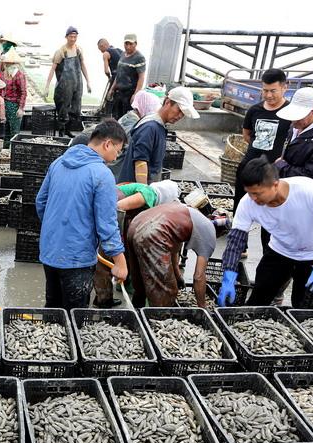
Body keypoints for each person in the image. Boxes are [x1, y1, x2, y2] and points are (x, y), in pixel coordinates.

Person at [218, 156, 313, 308]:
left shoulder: (309, 190)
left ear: (275, 185)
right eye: (249, 193)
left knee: (304, 306)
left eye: (257, 193)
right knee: (258, 300)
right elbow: (236, 241)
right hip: (279, 251)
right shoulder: (247, 203)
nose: (253, 198)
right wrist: (229, 275)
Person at [36, 119, 128, 310]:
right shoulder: (102, 174)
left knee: (53, 308)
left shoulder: (58, 163)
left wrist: (55, 230)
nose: (116, 156)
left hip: (49, 251)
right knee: (75, 312)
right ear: (107, 144)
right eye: (118, 150)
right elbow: (107, 224)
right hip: (77, 257)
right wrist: (120, 261)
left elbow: (41, 202)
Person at [93, 179, 180, 307]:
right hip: (109, 220)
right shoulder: (149, 193)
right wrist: (114, 238)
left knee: (120, 257)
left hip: (116, 219)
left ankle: (115, 290)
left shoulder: (148, 194)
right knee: (105, 262)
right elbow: (117, 208)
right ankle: (103, 301)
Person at [127, 201, 228, 308]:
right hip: (152, 233)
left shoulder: (192, 215)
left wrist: (177, 274)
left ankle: (137, 311)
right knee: (167, 290)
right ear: (221, 233)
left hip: (136, 223)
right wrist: (202, 307)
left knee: (140, 282)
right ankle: (159, 316)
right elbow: (198, 276)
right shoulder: (209, 234)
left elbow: (174, 247)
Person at [232, 68, 291, 213]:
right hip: (249, 166)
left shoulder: (290, 112)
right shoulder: (254, 110)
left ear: (284, 88)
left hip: (273, 171)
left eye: (273, 91)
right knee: (241, 204)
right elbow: (247, 135)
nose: (268, 95)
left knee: (271, 209)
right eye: (265, 90)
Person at [118, 87, 198, 184]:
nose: (180, 116)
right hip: (134, 188)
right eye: (179, 110)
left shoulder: (158, 125)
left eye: (183, 113)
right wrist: (143, 190)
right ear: (167, 102)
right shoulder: (150, 127)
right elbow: (140, 162)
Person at [44, 27, 91, 137]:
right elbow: (53, 69)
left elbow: (83, 65)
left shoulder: (79, 50)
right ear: (66, 37)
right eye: (71, 37)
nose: (73, 39)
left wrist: (88, 81)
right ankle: (61, 132)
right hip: (64, 86)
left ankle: (68, 130)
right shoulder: (61, 52)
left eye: (75, 37)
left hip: (77, 84)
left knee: (76, 109)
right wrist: (47, 86)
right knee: (63, 108)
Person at [107, 90, 161, 179]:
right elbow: (137, 151)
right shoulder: (132, 124)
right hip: (118, 171)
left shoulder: (128, 117)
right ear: (145, 107)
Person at [111, 34, 146, 120]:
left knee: (126, 119)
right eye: (126, 44)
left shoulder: (139, 58)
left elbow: (141, 77)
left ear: (135, 44)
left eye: (131, 44)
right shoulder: (123, 54)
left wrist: (135, 95)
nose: (128, 46)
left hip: (129, 93)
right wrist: (112, 89)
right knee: (116, 116)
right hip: (119, 92)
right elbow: (119, 73)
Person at [0, 50, 27, 147]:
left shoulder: (19, 75)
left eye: (9, 63)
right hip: (5, 105)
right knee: (6, 130)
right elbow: (1, 89)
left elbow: (23, 92)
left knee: (14, 132)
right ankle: (6, 150)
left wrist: (21, 108)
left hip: (15, 105)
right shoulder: (4, 74)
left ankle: (14, 150)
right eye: (6, 63)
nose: (7, 65)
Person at [97, 38, 122, 108]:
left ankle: (107, 112)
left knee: (109, 98)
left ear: (103, 46)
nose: (101, 52)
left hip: (116, 77)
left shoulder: (106, 53)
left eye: (100, 49)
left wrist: (109, 77)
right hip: (125, 79)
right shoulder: (119, 50)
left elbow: (106, 71)